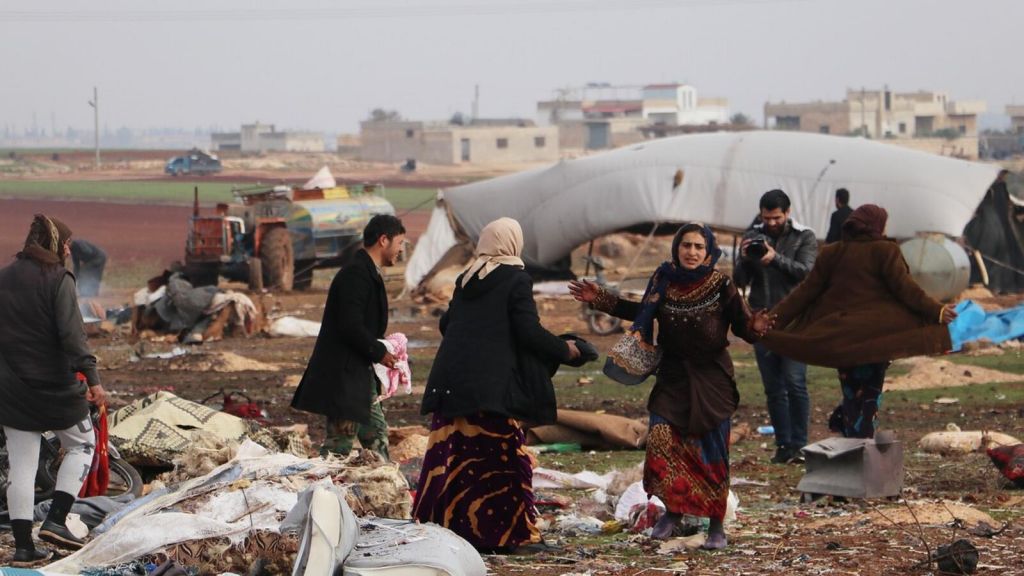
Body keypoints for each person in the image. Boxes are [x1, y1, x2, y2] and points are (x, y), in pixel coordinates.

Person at [571, 223, 767, 549]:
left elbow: (743, 326)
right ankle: (673, 511)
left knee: (711, 450)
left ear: (708, 252)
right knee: (663, 441)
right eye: (686, 245)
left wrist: (755, 327)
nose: (691, 252)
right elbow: (643, 310)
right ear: (677, 248)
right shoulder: (664, 279)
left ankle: (716, 524)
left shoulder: (722, 285)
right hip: (673, 376)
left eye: (698, 247)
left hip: (711, 379)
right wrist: (601, 299)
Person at [413, 217, 583, 554]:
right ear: (512, 242)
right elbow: (528, 331)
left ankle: (458, 530)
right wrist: (567, 350)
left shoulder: (467, 278)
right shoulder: (516, 279)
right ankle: (510, 536)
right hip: (490, 391)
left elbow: (448, 324)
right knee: (503, 464)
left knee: (458, 462)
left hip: (453, 387)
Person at [762, 205, 957, 439]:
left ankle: (849, 434)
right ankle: (860, 444)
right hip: (874, 342)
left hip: (842, 340)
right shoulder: (885, 250)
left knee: (852, 394)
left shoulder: (832, 252)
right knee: (869, 397)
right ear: (877, 226)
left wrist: (771, 320)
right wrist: (937, 310)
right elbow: (906, 290)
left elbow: (804, 293)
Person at [0, 214, 108, 566]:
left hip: (11, 391)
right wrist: (93, 379)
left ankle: (24, 548)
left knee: (21, 467)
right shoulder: (58, 278)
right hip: (55, 388)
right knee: (83, 444)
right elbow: (73, 336)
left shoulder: (3, 278)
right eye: (66, 244)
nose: (68, 250)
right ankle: (57, 521)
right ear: (54, 243)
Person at [291, 214, 405, 459]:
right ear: (383, 240)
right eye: (399, 243)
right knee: (339, 445)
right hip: (344, 376)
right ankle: (322, 482)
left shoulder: (366, 272)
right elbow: (349, 325)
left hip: (359, 376)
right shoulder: (356, 274)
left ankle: (385, 481)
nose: (401, 249)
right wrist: (379, 352)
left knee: (376, 437)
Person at [733, 189, 818, 464]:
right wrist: (745, 259)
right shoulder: (752, 236)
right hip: (762, 320)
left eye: (776, 218)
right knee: (773, 388)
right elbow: (739, 280)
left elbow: (807, 273)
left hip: (794, 322)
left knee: (795, 382)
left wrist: (775, 259)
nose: (771, 223)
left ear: (787, 213)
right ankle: (783, 446)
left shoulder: (804, 236)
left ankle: (800, 445)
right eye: (766, 218)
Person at [964, 170, 1024, 294]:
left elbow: (1009, 204)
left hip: (1000, 227)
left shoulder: (999, 189)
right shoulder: (989, 189)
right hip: (989, 227)